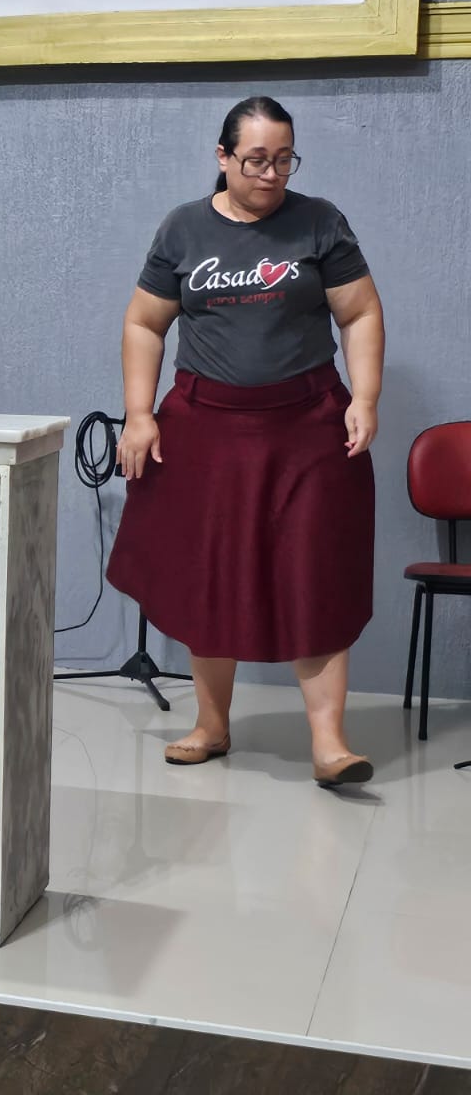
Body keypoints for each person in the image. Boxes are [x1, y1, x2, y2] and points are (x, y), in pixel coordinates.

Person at [105, 95, 384, 788]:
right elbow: (144, 323)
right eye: (256, 159)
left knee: (315, 573)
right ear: (223, 157)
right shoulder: (184, 228)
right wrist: (139, 413)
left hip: (308, 426)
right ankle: (211, 726)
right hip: (206, 428)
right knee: (213, 576)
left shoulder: (319, 223)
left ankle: (330, 745)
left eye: (284, 160)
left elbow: (359, 311)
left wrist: (365, 397)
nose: (270, 174)